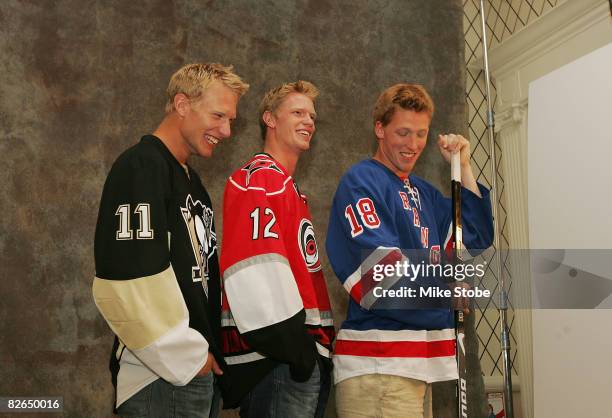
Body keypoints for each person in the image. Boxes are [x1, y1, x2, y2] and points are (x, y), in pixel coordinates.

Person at [325, 83, 494, 418]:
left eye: (421, 134)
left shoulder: (423, 193)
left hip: (415, 366)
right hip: (380, 366)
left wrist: (464, 165)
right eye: (403, 132)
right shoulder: (361, 182)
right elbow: (381, 278)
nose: (413, 144)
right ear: (379, 128)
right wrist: (447, 291)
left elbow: (473, 236)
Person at [92, 63, 249, 417]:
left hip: (192, 375)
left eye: (231, 121)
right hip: (158, 380)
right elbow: (125, 280)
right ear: (182, 105)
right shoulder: (142, 166)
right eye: (218, 115)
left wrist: (206, 360)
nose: (225, 131)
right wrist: (189, 357)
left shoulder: (193, 184)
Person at [219, 81, 335, 418]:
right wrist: (296, 352)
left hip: (296, 359)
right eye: (297, 112)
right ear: (270, 119)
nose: (309, 121)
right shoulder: (258, 179)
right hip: (277, 364)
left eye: (312, 115)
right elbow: (252, 272)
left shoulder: (285, 185)